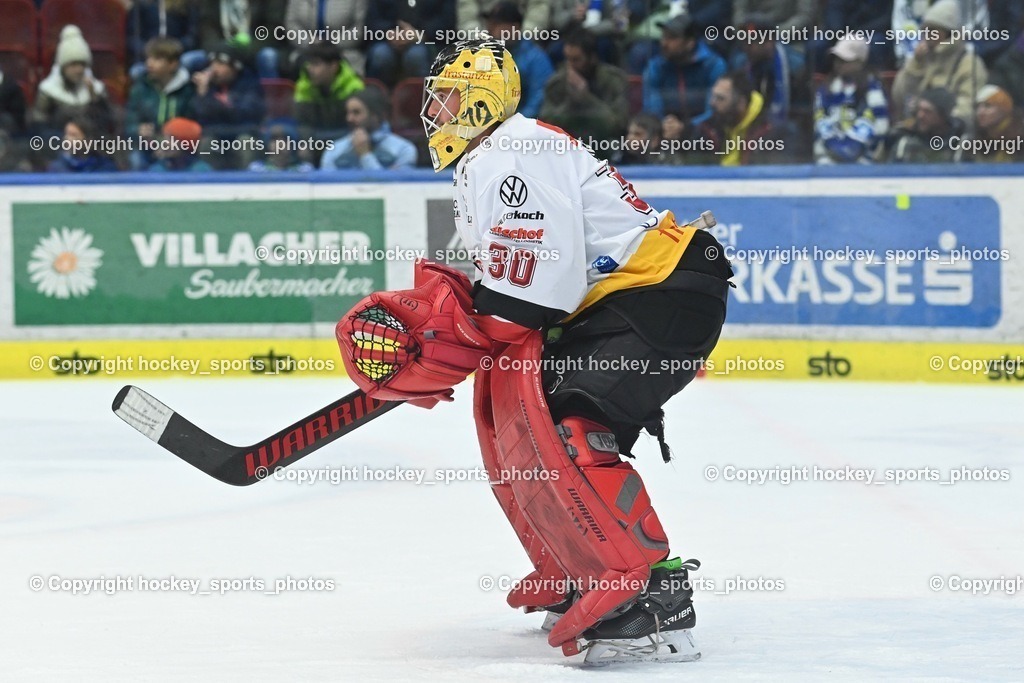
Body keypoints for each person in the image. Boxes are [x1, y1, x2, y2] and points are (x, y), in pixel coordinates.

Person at [335, 36, 732, 665]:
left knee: (571, 418)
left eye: (448, 98)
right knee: (531, 408)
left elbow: (541, 291)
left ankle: (651, 593)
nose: (434, 110)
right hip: (638, 299)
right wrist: (460, 333)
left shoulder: (511, 152)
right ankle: (577, 559)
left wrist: (458, 341)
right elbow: (517, 288)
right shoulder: (491, 157)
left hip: (660, 295)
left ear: (481, 101)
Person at [891, 0, 988, 129]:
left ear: (949, 33)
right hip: (917, 127)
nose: (927, 35)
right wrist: (915, 65)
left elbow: (968, 106)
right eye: (925, 30)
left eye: (933, 30)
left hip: (950, 133)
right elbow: (899, 97)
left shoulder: (969, 63)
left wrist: (939, 118)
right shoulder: (921, 59)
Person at [539, 29, 629, 150]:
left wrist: (587, 99)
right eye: (567, 59)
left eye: (576, 60)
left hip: (602, 145)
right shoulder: (557, 83)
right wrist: (569, 103)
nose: (570, 65)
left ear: (592, 58)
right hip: (565, 145)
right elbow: (546, 124)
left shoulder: (613, 81)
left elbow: (619, 125)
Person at [813, 38, 890, 164]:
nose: (838, 64)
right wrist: (831, 142)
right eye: (837, 59)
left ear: (860, 62)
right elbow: (819, 118)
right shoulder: (826, 88)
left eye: (845, 60)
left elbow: (881, 126)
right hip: (828, 156)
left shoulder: (873, 89)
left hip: (864, 158)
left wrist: (852, 144)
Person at [125, 37, 197, 170]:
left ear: (173, 64)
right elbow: (129, 123)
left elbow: (194, 124)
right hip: (147, 146)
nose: (149, 64)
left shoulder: (188, 90)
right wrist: (138, 131)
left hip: (181, 148)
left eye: (157, 59)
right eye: (148, 58)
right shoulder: (140, 88)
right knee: (134, 158)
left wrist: (176, 142)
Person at [641, 13, 727, 123]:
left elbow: (714, 111)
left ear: (690, 43)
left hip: (703, 133)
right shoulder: (655, 67)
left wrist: (686, 128)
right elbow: (652, 110)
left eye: (672, 38)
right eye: (664, 37)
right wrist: (665, 125)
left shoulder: (713, 66)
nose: (664, 43)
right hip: (666, 132)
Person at [30, 26, 112, 137]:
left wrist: (95, 99)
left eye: (82, 64)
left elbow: (108, 126)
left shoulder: (96, 89)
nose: (79, 70)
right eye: (73, 65)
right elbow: (39, 128)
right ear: (63, 67)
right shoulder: (48, 91)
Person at [484, 2, 554, 118]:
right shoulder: (485, 54)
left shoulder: (536, 58)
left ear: (515, 27)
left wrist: (514, 125)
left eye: (497, 24)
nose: (490, 29)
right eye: (490, 23)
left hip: (524, 127)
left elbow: (538, 100)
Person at [694, 71, 781, 165]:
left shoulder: (770, 133)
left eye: (720, 98)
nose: (712, 103)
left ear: (741, 103)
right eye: (713, 96)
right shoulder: (709, 128)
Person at [319, 88, 417, 170]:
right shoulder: (333, 150)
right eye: (348, 113)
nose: (349, 119)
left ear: (375, 115)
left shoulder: (404, 150)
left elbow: (392, 188)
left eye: (356, 113)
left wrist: (365, 156)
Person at [293, 42, 365, 141]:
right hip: (314, 143)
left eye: (316, 64)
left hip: (346, 143)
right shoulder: (304, 87)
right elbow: (302, 124)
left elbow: (357, 127)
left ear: (333, 66)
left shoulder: (354, 89)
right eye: (309, 64)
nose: (310, 69)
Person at [884, 87, 964, 162]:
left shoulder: (961, 143)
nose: (920, 116)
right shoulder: (904, 142)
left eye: (928, 112)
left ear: (943, 116)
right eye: (919, 110)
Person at [968, 85, 1024, 162]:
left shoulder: (1020, 138)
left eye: (988, 106)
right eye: (977, 107)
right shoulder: (974, 137)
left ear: (1003, 109)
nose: (980, 112)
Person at [47, 116, 118, 173]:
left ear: (87, 139)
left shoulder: (103, 165)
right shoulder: (57, 167)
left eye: (74, 135)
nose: (68, 139)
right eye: (67, 134)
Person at [148, 117, 213, 172]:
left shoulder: (200, 170)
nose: (165, 143)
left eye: (172, 139)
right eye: (164, 137)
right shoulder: (157, 170)